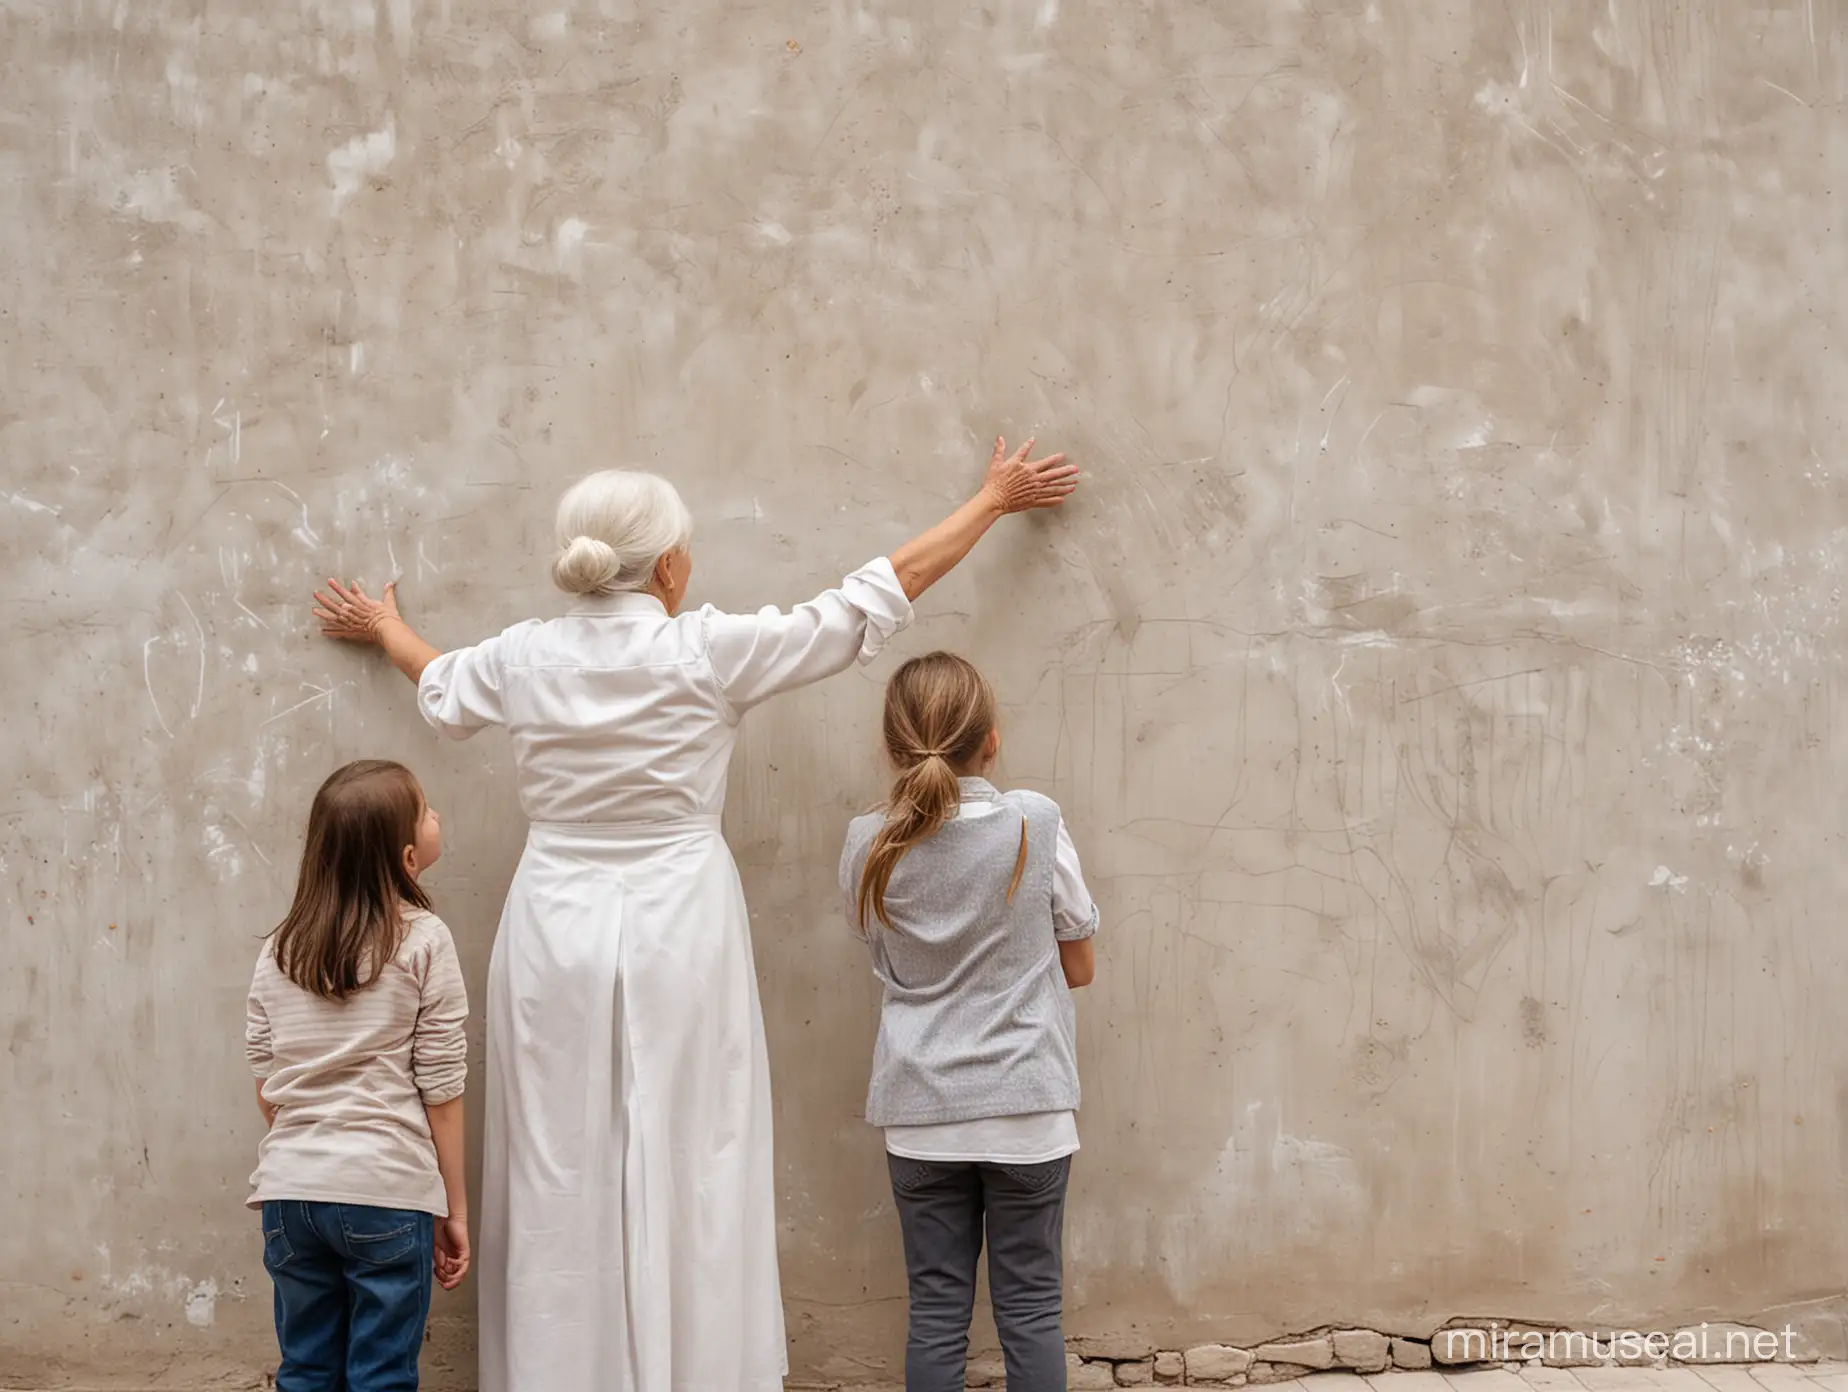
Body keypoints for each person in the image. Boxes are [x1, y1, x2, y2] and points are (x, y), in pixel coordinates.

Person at [307, 437, 1078, 1392]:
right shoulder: (706, 649)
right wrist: (992, 500)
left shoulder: (526, 656)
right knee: (699, 1158)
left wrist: (385, 625)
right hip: (682, 925)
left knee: (556, 1160)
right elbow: (872, 597)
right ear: (669, 565)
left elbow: (439, 683)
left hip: (554, 929)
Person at [838, 651, 1099, 1392]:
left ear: (893, 747)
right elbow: (1079, 967)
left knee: (937, 1310)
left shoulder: (867, 842)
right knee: (1030, 1309)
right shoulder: (1033, 822)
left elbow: (885, 957)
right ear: (992, 739)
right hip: (1027, 1106)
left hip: (920, 1111)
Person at [246, 759, 472, 1392]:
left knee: (307, 1369)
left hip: (290, 1194)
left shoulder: (280, 947)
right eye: (426, 810)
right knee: (380, 1375)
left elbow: (267, 1079)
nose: (437, 817)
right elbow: (442, 1089)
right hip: (387, 1192)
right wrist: (453, 1208)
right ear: (408, 856)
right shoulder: (424, 940)